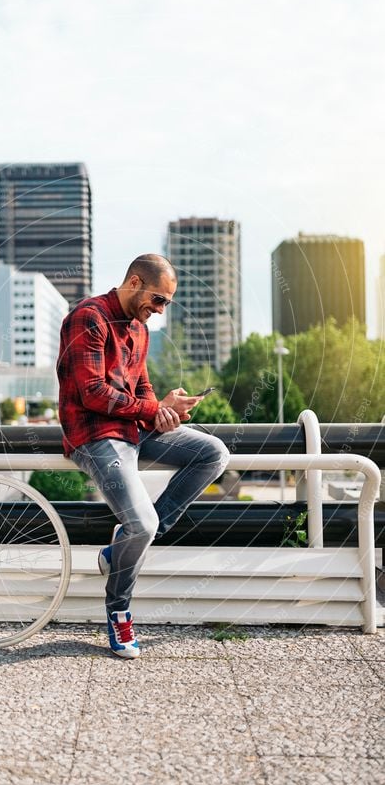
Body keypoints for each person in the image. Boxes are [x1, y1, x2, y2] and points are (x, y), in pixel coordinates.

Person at [56, 254, 230, 659]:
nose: (160, 309)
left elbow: (142, 385)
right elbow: (93, 393)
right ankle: (119, 611)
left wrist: (164, 410)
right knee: (142, 523)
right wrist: (151, 410)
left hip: (135, 428)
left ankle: (120, 551)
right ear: (135, 282)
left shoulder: (139, 328)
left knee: (212, 453)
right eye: (159, 300)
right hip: (95, 435)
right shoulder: (89, 317)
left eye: (165, 303)